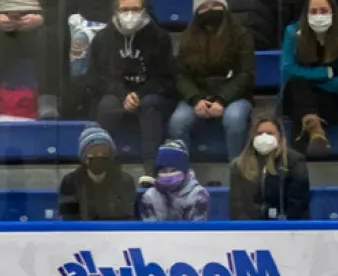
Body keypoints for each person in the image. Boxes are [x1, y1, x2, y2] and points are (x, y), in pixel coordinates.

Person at [87, 0, 176, 169]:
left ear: (144, 11)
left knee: (149, 104)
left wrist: (138, 95)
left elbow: (165, 78)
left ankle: (151, 168)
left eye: (135, 9)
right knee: (107, 105)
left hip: (150, 94)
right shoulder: (102, 38)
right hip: (116, 93)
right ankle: (105, 166)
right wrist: (124, 95)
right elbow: (96, 78)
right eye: (125, 9)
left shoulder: (160, 37)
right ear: (115, 11)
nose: (130, 14)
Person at [168, 0, 256, 160]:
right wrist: (195, 99)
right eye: (204, 7)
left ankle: (238, 172)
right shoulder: (187, 37)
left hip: (234, 97)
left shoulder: (241, 35)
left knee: (234, 119)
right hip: (197, 96)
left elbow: (245, 74)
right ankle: (180, 174)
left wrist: (222, 100)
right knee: (177, 122)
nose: (210, 10)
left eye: (215, 5)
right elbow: (181, 75)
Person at [280, 0, 338, 155]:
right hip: (302, 94)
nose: (319, 16)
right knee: (297, 85)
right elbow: (287, 71)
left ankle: (298, 160)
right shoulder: (292, 32)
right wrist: (325, 73)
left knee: (302, 103)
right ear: (305, 14)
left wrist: (312, 84)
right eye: (313, 11)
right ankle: (314, 131)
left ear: (333, 12)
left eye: (323, 10)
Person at [0, 0, 65, 120]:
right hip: (1, 17)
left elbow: (62, 5)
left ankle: (47, 101)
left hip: (36, 18)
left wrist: (42, 18)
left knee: (48, 37)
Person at [230, 116, 311, 219]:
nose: (264, 137)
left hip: (286, 227)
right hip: (250, 228)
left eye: (269, 133)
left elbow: (298, 202)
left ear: (280, 136)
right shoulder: (239, 165)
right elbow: (237, 206)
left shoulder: (294, 161)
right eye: (259, 133)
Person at [57, 125, 137, 220]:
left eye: (104, 153)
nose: (99, 156)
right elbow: (68, 216)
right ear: (84, 156)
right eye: (94, 152)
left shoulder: (125, 180)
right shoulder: (70, 181)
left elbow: (128, 215)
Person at [138, 140, 209, 221]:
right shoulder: (149, 196)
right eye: (164, 171)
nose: (169, 175)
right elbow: (150, 230)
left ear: (184, 171)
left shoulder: (198, 195)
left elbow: (196, 230)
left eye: (173, 170)